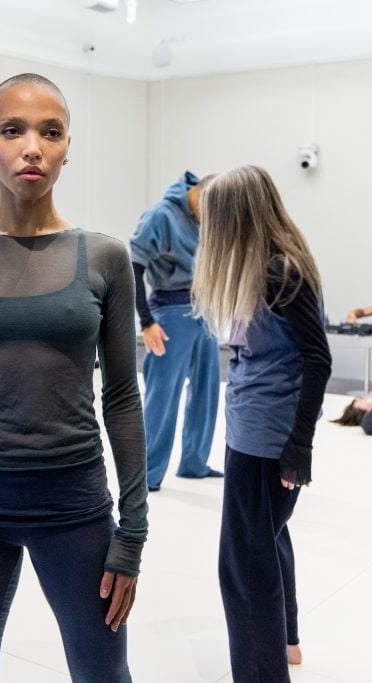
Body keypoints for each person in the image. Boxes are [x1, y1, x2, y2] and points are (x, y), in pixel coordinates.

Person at [0, 73, 148, 683]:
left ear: (68, 146)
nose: (31, 147)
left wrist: (133, 532)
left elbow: (122, 397)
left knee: (103, 674)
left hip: (74, 502)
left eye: (50, 132)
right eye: (13, 130)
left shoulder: (108, 258)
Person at [192, 166, 331, 682]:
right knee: (268, 541)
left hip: (266, 437)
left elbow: (318, 359)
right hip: (257, 428)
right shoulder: (273, 265)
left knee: (244, 571)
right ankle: (286, 641)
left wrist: (300, 446)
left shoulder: (279, 271)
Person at [129, 171, 221, 492]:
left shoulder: (202, 217)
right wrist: (146, 322)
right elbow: (133, 267)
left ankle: (194, 463)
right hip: (170, 311)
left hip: (203, 309)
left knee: (207, 389)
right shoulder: (161, 216)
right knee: (162, 395)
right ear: (200, 195)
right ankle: (147, 474)